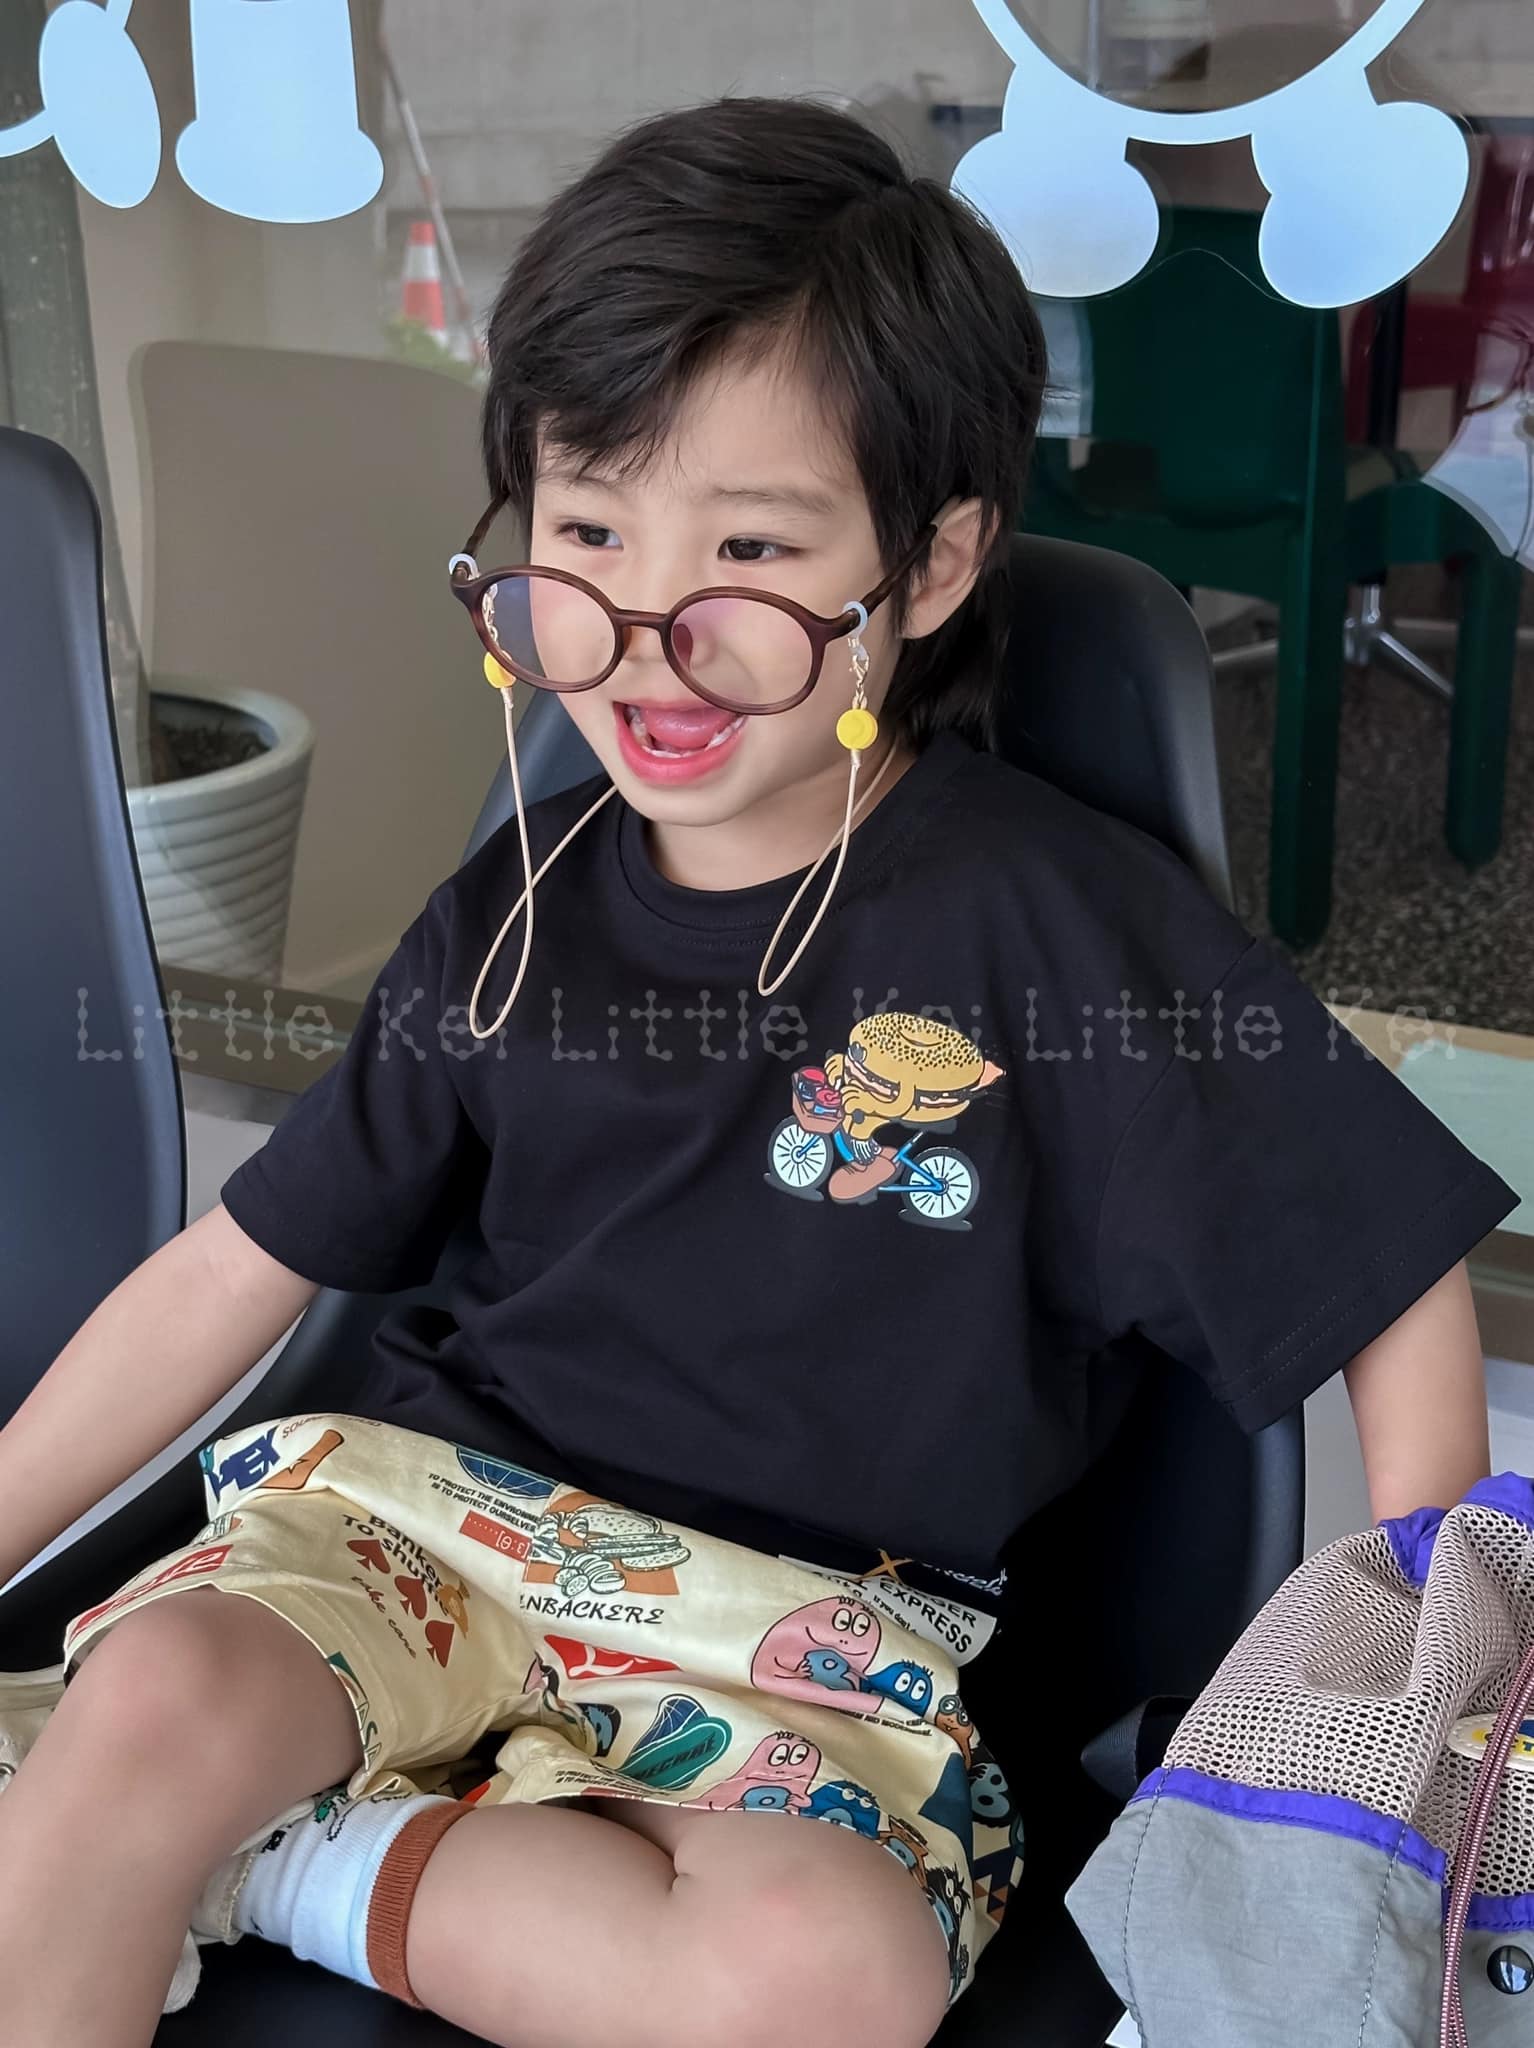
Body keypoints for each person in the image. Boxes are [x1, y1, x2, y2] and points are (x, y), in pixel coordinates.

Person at [0, 93, 1519, 2048]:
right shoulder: (518, 904)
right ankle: (175, 1810)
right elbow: (240, 1264)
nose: (647, 638)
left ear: (930, 562)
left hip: (811, 1638)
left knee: (823, 1980)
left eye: (744, 550)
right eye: (586, 534)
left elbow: (1374, 1266)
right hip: (428, 1526)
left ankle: (275, 1863)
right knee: (155, 1696)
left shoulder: (1050, 927)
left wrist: (1418, 1704)